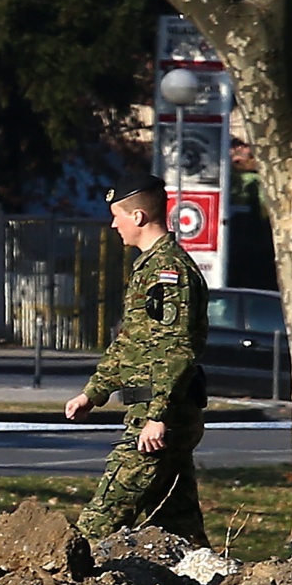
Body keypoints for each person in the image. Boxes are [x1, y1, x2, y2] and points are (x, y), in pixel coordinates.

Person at [65, 174, 210, 547]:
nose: (114, 224)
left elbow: (177, 348)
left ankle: (59, 580)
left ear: (140, 216)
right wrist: (93, 394)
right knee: (177, 525)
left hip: (161, 419)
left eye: (118, 216)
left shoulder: (169, 272)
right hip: (157, 413)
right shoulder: (148, 268)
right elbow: (132, 342)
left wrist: (157, 415)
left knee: (104, 517)